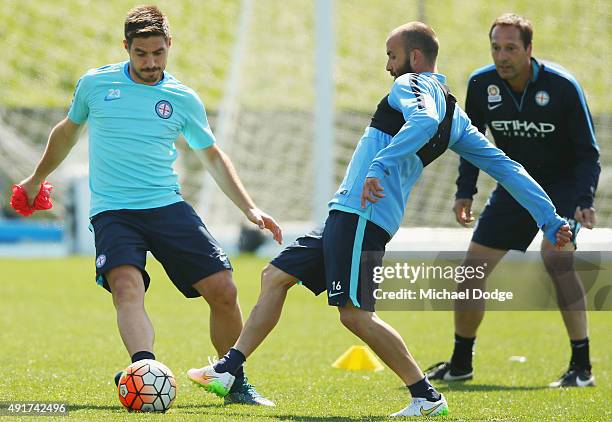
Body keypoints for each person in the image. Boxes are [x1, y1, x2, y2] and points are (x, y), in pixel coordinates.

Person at [187, 21, 573, 417]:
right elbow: (507, 168)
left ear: (416, 58)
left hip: (361, 215)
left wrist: (379, 165)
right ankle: (229, 370)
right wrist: (549, 218)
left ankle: (426, 396)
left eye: (392, 55)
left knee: (355, 315)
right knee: (275, 277)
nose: (388, 66)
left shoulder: (412, 85)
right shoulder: (455, 116)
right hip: (348, 215)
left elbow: (421, 123)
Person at [15, 5, 282, 406]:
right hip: (113, 211)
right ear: (126, 47)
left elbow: (211, 155)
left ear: (169, 46)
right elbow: (67, 132)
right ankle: (144, 373)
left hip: (165, 206)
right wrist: (36, 179)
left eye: (158, 52)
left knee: (223, 289)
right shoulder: (95, 85)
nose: (151, 62)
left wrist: (249, 208)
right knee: (126, 285)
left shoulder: (182, 98)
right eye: (141, 53)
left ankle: (233, 380)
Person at [425, 13, 600, 388]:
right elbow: (467, 140)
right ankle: (460, 364)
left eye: (510, 48)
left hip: (563, 188)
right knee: (470, 272)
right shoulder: (481, 84)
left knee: (557, 259)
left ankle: (582, 367)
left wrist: (583, 199)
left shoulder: (563, 86)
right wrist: (465, 191)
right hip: (514, 186)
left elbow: (588, 153)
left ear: (529, 50)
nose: (502, 56)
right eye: (496, 48)